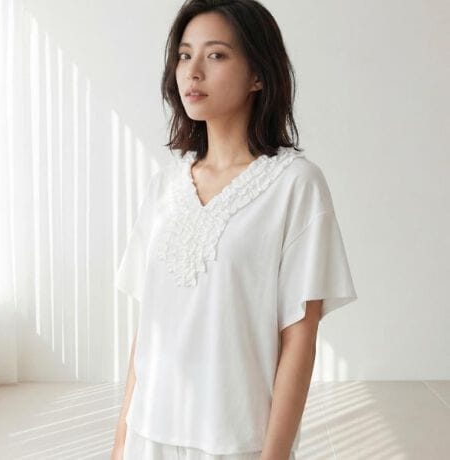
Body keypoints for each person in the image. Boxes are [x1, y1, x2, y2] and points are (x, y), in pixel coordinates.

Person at [111, 0, 358, 459]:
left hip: (237, 443)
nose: (193, 72)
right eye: (184, 55)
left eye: (216, 55)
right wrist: (121, 442)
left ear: (258, 75)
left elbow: (299, 338)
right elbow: (149, 330)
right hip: (149, 435)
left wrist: (274, 455)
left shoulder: (295, 185)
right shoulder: (165, 186)